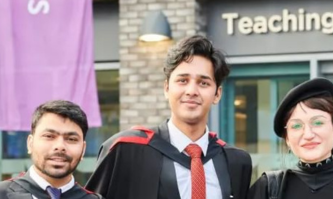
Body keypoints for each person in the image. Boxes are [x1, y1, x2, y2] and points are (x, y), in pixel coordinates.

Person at [85, 35, 253, 199]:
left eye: (203, 83)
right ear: (166, 88)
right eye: (183, 80)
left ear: (217, 94)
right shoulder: (126, 150)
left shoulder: (236, 162)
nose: (192, 91)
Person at [0, 100, 102, 199]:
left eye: (71, 139)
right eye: (49, 136)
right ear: (30, 143)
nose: (60, 146)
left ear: (83, 149)